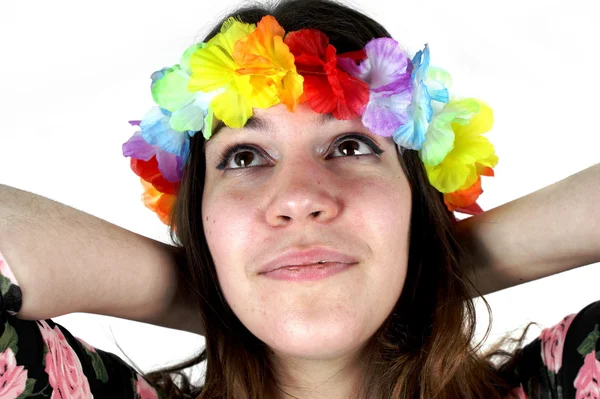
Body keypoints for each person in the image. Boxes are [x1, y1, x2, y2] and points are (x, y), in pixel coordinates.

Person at [0, 0, 598, 398]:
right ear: (202, 220)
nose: (299, 199)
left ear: (418, 202)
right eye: (245, 157)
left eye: (349, 145)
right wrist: (206, 291)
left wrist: (440, 267)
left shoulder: (573, 379)